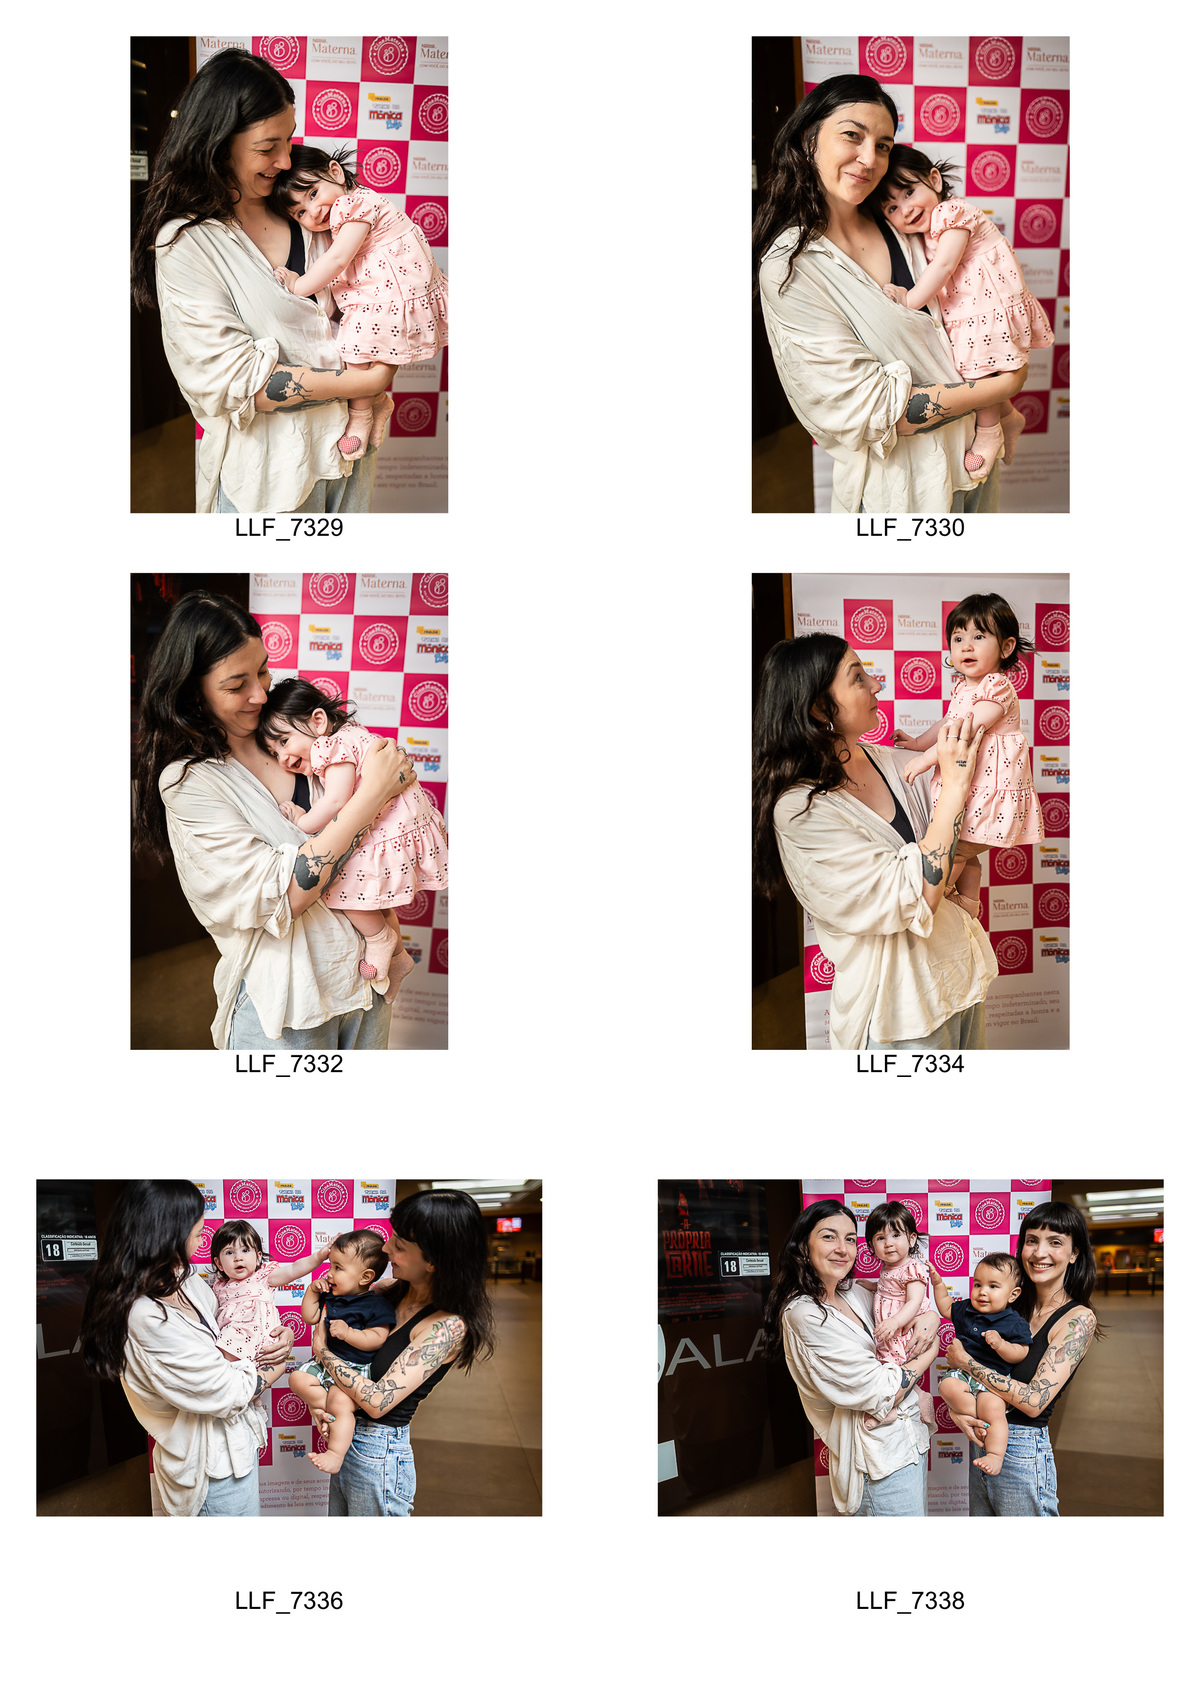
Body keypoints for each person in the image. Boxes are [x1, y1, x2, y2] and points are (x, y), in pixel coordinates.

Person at [132, 590, 418, 1049]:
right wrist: (373, 794)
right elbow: (286, 896)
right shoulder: (191, 782)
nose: (260, 694)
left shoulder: (288, 724)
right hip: (290, 1004)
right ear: (192, 691)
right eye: (236, 685)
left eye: (263, 670)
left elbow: (379, 793)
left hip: (367, 982)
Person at [131, 48, 396, 513]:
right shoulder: (187, 242)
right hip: (271, 476)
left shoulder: (310, 210)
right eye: (267, 147)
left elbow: (379, 290)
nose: (285, 160)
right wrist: (367, 381)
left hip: (350, 454)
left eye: (289, 140)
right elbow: (236, 382)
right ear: (217, 143)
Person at [753, 75, 1030, 514]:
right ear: (809, 139)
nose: (869, 159)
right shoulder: (793, 268)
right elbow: (872, 410)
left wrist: (1001, 400)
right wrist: (1003, 385)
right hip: (903, 491)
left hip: (975, 462)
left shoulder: (905, 225)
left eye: (883, 145)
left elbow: (961, 313)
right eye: (852, 135)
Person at [752, 633, 998, 1048]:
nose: (876, 684)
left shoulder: (891, 760)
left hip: (960, 980)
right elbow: (917, 894)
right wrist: (954, 790)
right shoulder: (799, 810)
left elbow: (980, 830)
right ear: (819, 708)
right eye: (857, 677)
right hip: (898, 1014)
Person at [79, 1181, 294, 1517]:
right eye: (196, 1231)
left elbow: (235, 1322)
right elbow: (229, 1391)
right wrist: (275, 1367)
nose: (202, 1237)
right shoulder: (145, 1317)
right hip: (209, 1472)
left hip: (236, 1449)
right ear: (167, 1234)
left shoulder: (185, 1278)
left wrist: (278, 1333)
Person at [306, 1190, 496, 1516]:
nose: (386, 1248)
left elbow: (378, 1401)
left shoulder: (446, 1328)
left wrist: (323, 1353)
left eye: (400, 1245)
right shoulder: (385, 1292)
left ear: (434, 1261)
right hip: (346, 1440)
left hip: (378, 1454)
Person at [258, 677, 449, 993]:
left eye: (284, 742)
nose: (283, 759)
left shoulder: (331, 746)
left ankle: (380, 938)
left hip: (389, 829)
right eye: (273, 752)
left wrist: (302, 822)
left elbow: (336, 801)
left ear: (318, 721)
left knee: (342, 887)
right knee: (375, 901)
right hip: (401, 823)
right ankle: (399, 957)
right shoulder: (351, 735)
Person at [876, 146, 1053, 481]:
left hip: (989, 304)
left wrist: (909, 300)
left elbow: (944, 266)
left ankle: (988, 433)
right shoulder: (926, 232)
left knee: (979, 370)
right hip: (972, 308)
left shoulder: (952, 212)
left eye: (909, 192)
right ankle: (1008, 415)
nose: (906, 209)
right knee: (976, 369)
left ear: (934, 180)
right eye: (892, 207)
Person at [271, 145, 449, 459]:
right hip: (389, 289)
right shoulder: (352, 205)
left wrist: (298, 285)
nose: (313, 212)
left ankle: (361, 416)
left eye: (313, 194)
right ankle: (377, 402)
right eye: (300, 212)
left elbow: (338, 259)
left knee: (355, 346)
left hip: (394, 292)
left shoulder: (353, 204)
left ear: (335, 172)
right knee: (364, 349)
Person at [764, 1200, 940, 1516]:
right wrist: (932, 1351)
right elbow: (882, 1390)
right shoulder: (804, 1315)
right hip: (876, 1463)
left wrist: (932, 1320)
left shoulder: (854, 1293)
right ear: (803, 1246)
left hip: (910, 1442)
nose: (842, 1249)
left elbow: (914, 1310)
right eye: (829, 1237)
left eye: (849, 1239)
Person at [941, 1202, 1102, 1515]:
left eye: (1055, 1242)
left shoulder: (1078, 1319)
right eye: (1031, 1240)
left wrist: (967, 1364)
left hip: (1022, 1453)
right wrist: (960, 1412)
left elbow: (1034, 1400)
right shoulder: (1007, 1306)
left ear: (1074, 1253)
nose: (1040, 1253)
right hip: (983, 1443)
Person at [895, 594, 1043, 920]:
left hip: (989, 791)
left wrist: (926, 760)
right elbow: (947, 722)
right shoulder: (963, 687)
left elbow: (964, 730)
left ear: (1006, 647)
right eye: (958, 638)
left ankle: (933, 900)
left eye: (978, 636)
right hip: (969, 788)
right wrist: (918, 743)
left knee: (957, 850)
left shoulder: (997, 686)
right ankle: (968, 905)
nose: (966, 647)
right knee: (963, 845)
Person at [288, 1231, 398, 1477]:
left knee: (340, 1401)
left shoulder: (377, 1304)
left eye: (338, 1268)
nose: (329, 1273)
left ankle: (335, 1454)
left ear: (365, 1277)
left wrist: (349, 1333)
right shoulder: (331, 1295)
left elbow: (377, 1338)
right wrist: (312, 1292)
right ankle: (326, 1411)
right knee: (297, 1379)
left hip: (353, 1369)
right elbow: (310, 1317)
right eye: (330, 1266)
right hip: (324, 1364)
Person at [931, 1254, 1031, 1475]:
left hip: (993, 1379)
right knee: (947, 1387)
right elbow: (946, 1307)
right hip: (962, 1373)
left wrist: (1001, 1345)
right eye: (978, 1284)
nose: (982, 1291)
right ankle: (978, 1418)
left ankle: (995, 1455)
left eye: (993, 1286)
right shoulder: (967, 1309)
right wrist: (938, 1284)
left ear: (1013, 1295)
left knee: (993, 1409)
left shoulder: (1015, 1323)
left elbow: (1021, 1353)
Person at [208, 1219, 331, 1381]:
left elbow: (294, 1269)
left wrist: (319, 1256)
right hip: (231, 1346)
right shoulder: (219, 1287)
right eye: (230, 1252)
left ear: (258, 1257)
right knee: (226, 1370)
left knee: (276, 1367)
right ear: (219, 1263)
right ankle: (238, 1389)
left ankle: (248, 1389)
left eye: (245, 1250)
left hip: (263, 1348)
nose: (238, 1258)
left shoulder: (264, 1277)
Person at [861, 1202, 934, 1430]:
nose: (889, 1243)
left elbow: (913, 1301)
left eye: (895, 1235)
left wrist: (894, 1321)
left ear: (911, 1239)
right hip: (891, 1329)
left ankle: (888, 1409)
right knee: (888, 1368)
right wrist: (873, 1286)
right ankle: (921, 1396)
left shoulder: (912, 1268)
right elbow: (890, 1290)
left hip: (903, 1331)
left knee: (890, 1370)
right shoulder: (888, 1268)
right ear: (871, 1245)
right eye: (880, 1238)